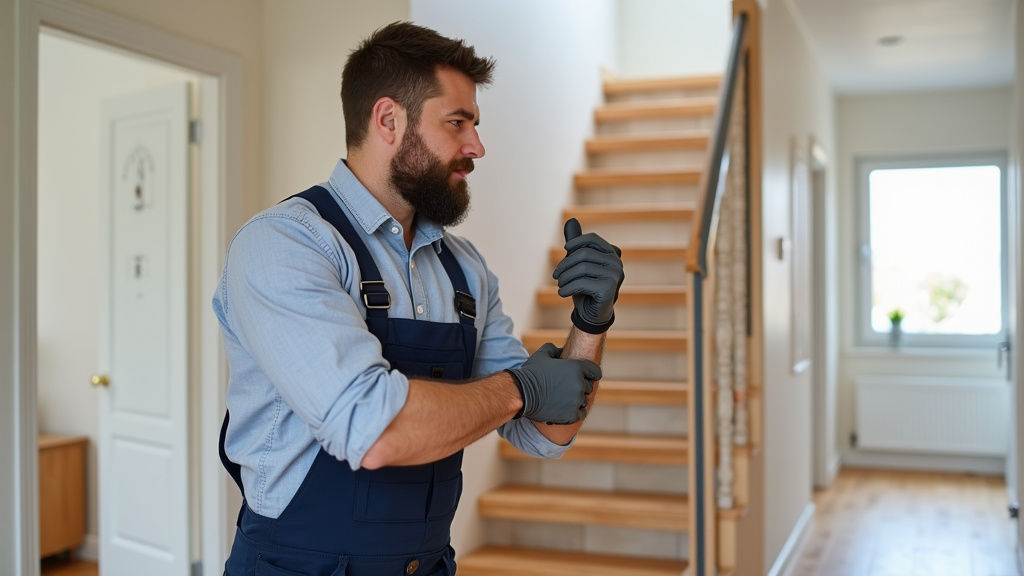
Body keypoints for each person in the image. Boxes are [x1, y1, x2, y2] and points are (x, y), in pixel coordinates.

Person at [213, 21, 624, 576]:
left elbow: (545, 431)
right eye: (457, 122)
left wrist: (589, 325)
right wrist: (521, 387)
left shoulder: (465, 269)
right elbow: (374, 430)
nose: (476, 146)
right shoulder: (284, 244)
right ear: (388, 120)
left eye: (474, 124)